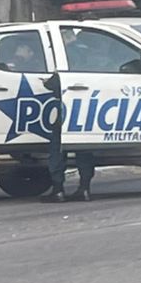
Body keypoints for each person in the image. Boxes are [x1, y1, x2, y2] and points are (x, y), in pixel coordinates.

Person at [38, 70, 96, 202]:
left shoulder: (66, 65)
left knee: (57, 149)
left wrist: (46, 82)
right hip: (88, 113)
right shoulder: (92, 65)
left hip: (68, 112)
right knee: (84, 149)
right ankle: (85, 188)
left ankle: (58, 190)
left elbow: (53, 85)